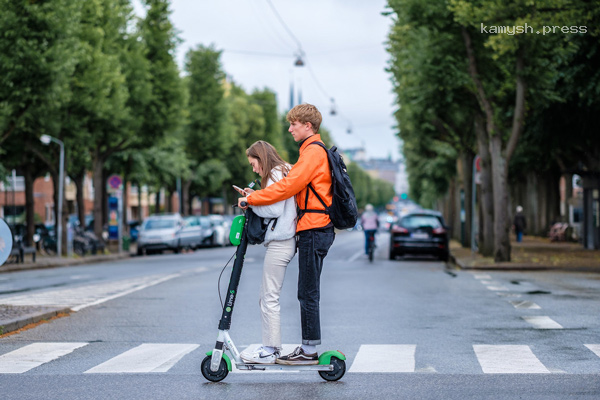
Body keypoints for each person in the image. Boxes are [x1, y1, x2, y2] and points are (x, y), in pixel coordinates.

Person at [238, 103, 334, 365]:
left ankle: (307, 350)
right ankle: (305, 348)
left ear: (308, 126)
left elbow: (287, 189)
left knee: (306, 292)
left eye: (294, 124)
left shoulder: (313, 152)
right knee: (305, 291)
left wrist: (254, 198)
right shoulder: (305, 154)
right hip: (309, 229)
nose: (290, 128)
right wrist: (255, 197)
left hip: (314, 227)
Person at [237, 141, 297, 364]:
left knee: (268, 297)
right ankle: (271, 347)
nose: (253, 169)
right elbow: (274, 201)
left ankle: (270, 349)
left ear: (261, 158)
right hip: (286, 240)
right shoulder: (284, 170)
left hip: (281, 240)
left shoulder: (274, 173)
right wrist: (257, 196)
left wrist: (249, 201)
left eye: (253, 163)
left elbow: (273, 209)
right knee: (268, 296)